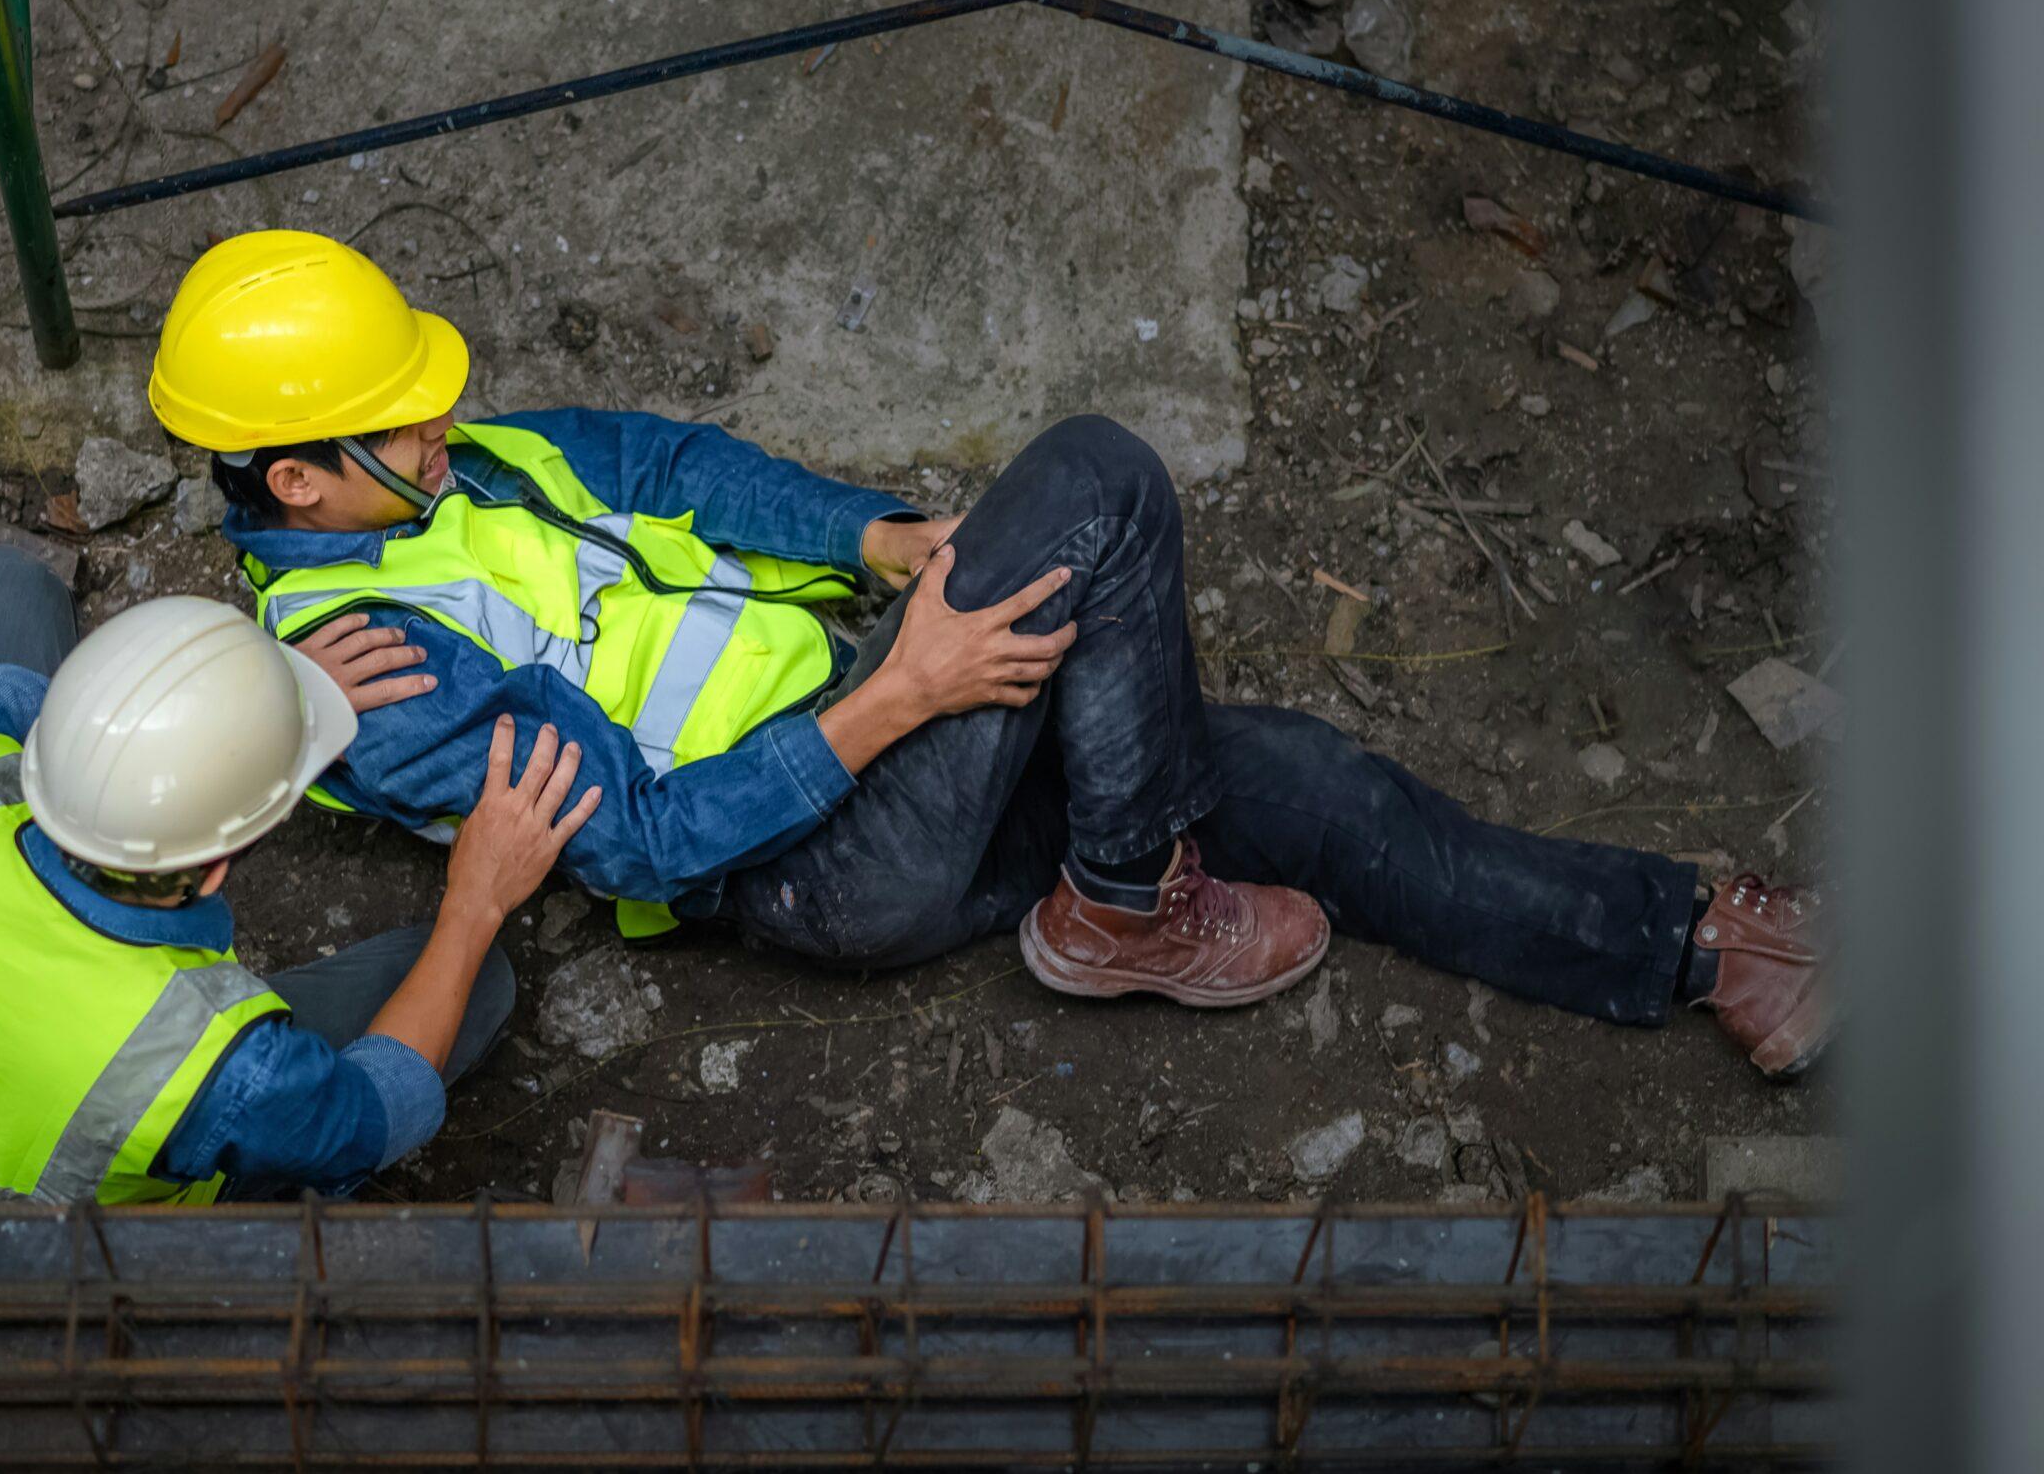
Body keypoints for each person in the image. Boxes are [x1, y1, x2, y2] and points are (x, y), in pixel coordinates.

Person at [148, 230, 1828, 1078]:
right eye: (404, 422)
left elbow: (662, 463)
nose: (449, 419)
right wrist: (905, 690)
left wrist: (879, 543)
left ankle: (1689, 943)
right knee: (1096, 476)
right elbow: (648, 842)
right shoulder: (378, 673)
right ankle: (1118, 897)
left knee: (1302, 776)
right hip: (812, 861)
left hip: (873, 710)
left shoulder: (462, 466)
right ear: (300, 480)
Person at [0, 548, 598, 1205]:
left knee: (6, 584)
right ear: (214, 871)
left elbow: (67, 723)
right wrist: (475, 899)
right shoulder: (215, 1065)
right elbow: (380, 1110)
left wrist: (246, 697)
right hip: (30, 1235)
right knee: (479, 981)